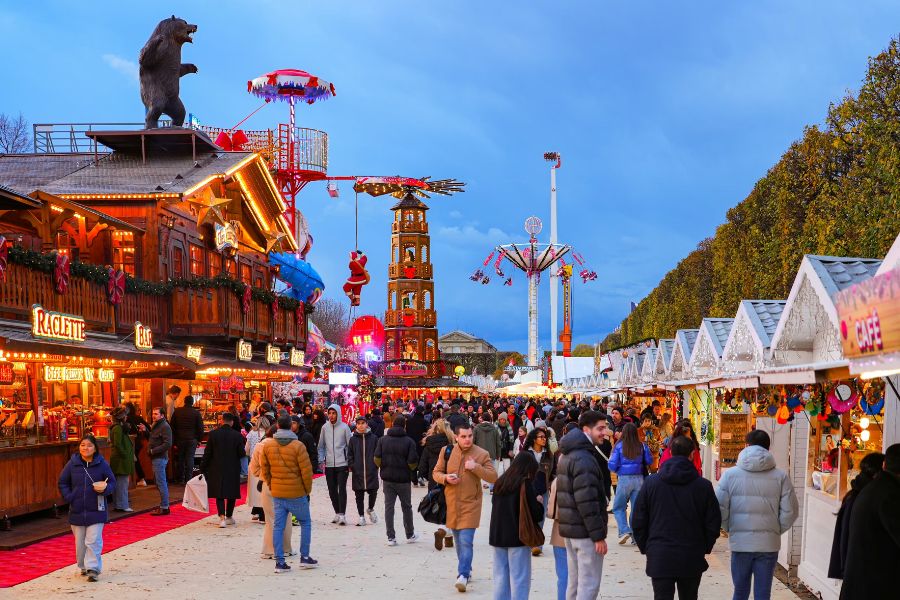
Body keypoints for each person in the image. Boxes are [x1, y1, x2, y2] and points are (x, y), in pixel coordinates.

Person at [632, 435, 721, 600]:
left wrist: (647, 546)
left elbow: (638, 520)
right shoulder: (703, 486)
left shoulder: (651, 483)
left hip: (660, 553)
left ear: (670, 452)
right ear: (692, 454)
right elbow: (713, 522)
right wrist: (704, 547)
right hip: (691, 553)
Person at [715, 429, 799, 600]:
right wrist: (774, 529)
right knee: (763, 594)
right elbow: (791, 511)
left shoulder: (730, 475)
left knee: (740, 591)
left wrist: (730, 527)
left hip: (740, 543)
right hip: (768, 545)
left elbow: (719, 508)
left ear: (746, 446)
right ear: (768, 448)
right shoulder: (780, 477)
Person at [433, 422, 498, 592]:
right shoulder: (446, 451)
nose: (467, 439)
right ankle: (467, 570)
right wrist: (446, 478)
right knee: (459, 542)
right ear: (456, 437)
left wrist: (475, 467)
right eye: (463, 436)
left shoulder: (482, 454)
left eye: (470, 436)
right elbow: (436, 473)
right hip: (451, 504)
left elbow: (493, 477)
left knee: (466, 541)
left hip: (471, 504)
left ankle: (462, 574)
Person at [556, 410, 609, 600]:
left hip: (572, 530)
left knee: (576, 583)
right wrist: (598, 536)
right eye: (600, 428)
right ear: (586, 429)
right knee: (588, 585)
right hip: (585, 532)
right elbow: (586, 501)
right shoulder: (584, 458)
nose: (605, 432)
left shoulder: (570, 454)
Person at [840, 443, 900, 599]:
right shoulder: (890, 495)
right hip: (874, 584)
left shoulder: (875, 488)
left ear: (885, 464)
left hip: (862, 581)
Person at [259, 415, 316, 574]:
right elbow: (306, 471)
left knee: (278, 526)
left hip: (277, 492)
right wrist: (306, 490)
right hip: (297, 492)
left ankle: (280, 562)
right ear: (291, 426)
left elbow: (265, 470)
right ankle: (305, 557)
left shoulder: (268, 446)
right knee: (305, 523)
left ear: (277, 426)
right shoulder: (298, 446)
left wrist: (272, 485)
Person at [58, 434, 117, 582]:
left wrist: (104, 489)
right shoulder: (72, 464)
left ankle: (93, 568)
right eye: (83, 445)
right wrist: (70, 497)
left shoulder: (102, 464)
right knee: (80, 543)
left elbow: (112, 483)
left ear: (95, 448)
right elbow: (63, 482)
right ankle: (83, 566)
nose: (86, 448)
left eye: (89, 445)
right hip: (77, 509)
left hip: (97, 508)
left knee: (93, 540)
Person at [489, 452, 544, 600]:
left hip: (497, 536)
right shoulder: (524, 484)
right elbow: (537, 514)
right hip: (517, 537)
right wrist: (539, 501)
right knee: (520, 578)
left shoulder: (500, 482)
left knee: (500, 577)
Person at [828, 451, 884, 579]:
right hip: (857, 569)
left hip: (854, 567)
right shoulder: (862, 497)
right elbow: (847, 537)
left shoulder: (857, 493)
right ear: (877, 474)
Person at [374, 414, 420, 545]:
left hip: (387, 479)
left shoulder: (383, 440)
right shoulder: (409, 441)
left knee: (389, 507)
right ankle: (410, 534)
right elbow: (412, 462)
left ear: (393, 424)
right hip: (404, 479)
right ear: (404, 425)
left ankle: (391, 537)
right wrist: (409, 468)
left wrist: (384, 466)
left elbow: (376, 459)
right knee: (407, 507)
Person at [250, 423, 293, 559]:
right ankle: (286, 548)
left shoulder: (261, 446)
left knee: (271, 518)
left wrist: (261, 475)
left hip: (268, 484)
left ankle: (272, 549)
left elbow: (254, 467)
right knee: (286, 517)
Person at [608, 422, 653, 545]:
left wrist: (618, 469)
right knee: (636, 509)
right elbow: (649, 460)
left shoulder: (619, 446)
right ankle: (635, 536)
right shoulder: (642, 446)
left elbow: (611, 465)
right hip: (639, 479)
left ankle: (624, 530)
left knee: (618, 507)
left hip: (624, 479)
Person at [201, 413, 246, 528]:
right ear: (232, 422)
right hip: (233, 467)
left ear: (222, 421)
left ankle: (221, 517)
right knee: (231, 492)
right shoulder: (237, 436)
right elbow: (242, 453)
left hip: (216, 466)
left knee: (219, 492)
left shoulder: (213, 434)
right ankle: (229, 516)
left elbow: (208, 453)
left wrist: (203, 467)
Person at [419, 417, 456, 550]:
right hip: (449, 479)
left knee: (441, 508)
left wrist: (425, 476)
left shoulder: (428, 444)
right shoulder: (452, 444)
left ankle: (448, 539)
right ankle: (444, 532)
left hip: (434, 480)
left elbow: (422, 466)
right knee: (451, 509)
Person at [317, 403, 352, 525]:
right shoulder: (324, 428)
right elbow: (321, 446)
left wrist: (349, 461)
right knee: (332, 490)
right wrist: (321, 460)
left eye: (334, 413)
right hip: (330, 464)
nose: (331, 416)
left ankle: (343, 514)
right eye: (329, 413)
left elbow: (350, 446)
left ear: (338, 414)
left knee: (342, 489)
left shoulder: (344, 428)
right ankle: (337, 512)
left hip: (342, 464)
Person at [347, 416, 380, 527]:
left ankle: (370, 509)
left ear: (367, 424)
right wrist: (352, 466)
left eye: (363, 423)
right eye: (359, 423)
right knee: (359, 495)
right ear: (356, 425)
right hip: (358, 472)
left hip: (371, 471)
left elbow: (378, 453)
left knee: (373, 492)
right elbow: (350, 454)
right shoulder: (353, 439)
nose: (361, 425)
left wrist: (376, 465)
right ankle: (361, 517)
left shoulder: (374, 438)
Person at [170, 395, 204, 484]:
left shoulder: (177, 411)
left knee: (180, 458)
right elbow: (200, 428)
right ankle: (188, 479)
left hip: (180, 439)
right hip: (192, 439)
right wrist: (199, 439)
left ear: (184, 401)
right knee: (190, 458)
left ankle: (180, 478)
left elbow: (172, 426)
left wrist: (175, 439)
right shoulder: (196, 413)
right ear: (192, 402)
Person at [246, 415, 272, 523]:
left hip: (253, 464)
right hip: (266, 465)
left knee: (256, 492)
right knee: (264, 490)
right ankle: (263, 514)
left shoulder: (251, 434)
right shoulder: (269, 435)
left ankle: (257, 511)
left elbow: (246, 450)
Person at [108, 406, 134, 512]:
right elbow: (118, 444)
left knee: (120, 483)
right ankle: (122, 505)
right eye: (125, 415)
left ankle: (120, 504)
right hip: (121, 460)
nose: (126, 417)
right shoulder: (118, 428)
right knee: (122, 483)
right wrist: (124, 455)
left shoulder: (117, 427)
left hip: (120, 459)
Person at [546, 477, 568, 600]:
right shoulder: (587, 476)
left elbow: (551, 512)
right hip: (581, 533)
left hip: (560, 532)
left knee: (563, 575)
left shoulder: (558, 480)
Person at [148, 406, 172, 516]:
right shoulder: (157, 425)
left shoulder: (164, 426)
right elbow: (154, 438)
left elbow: (168, 443)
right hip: (156, 457)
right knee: (159, 482)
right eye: (153, 413)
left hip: (160, 457)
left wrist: (153, 451)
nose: (153, 416)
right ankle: (164, 505)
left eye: (156, 414)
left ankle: (164, 507)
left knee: (161, 482)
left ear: (162, 415)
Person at [473, 412, 502, 491]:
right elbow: (498, 443)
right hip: (491, 453)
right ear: (490, 419)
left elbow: (473, 441)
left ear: (482, 419)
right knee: (491, 471)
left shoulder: (476, 428)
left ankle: (476, 488)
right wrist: (498, 454)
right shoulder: (495, 428)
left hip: (478, 453)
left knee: (477, 471)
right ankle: (492, 488)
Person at [496, 412, 516, 477]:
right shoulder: (495, 427)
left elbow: (511, 440)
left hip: (506, 450)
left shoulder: (509, 427)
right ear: (499, 419)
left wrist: (510, 449)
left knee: (507, 469)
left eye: (504, 419)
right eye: (501, 419)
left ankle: (507, 483)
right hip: (497, 450)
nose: (502, 421)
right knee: (496, 469)